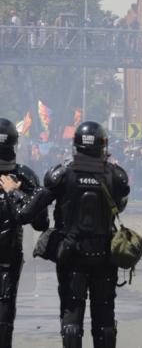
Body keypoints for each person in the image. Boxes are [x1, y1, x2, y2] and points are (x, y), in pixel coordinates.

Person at [5, 121, 130, 348]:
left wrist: (14, 193)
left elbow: (26, 214)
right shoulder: (115, 176)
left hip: (71, 255)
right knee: (105, 320)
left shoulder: (61, 174)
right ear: (102, 145)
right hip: (104, 256)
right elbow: (120, 206)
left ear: (76, 145)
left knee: (71, 319)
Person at [0, 118, 49, 347]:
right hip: (8, 256)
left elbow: (40, 222)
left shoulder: (24, 177)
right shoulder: (25, 176)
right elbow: (40, 222)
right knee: (4, 313)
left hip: (9, 257)